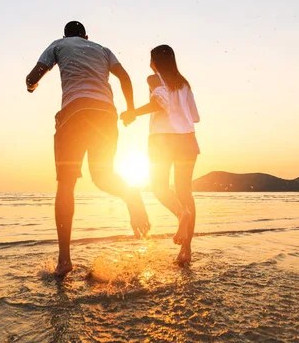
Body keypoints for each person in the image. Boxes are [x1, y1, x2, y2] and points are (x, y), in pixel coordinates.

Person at [25, 21, 150, 276]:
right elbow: (124, 76)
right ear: (86, 36)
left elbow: (33, 76)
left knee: (66, 184)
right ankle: (131, 195)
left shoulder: (58, 45)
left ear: (65, 35)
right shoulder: (103, 49)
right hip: (105, 114)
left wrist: (31, 86)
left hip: (74, 114)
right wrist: (129, 108)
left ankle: (64, 261)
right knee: (103, 177)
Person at [121, 45, 200, 265]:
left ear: (154, 61)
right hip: (188, 139)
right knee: (185, 192)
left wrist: (132, 113)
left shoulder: (154, 78)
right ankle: (186, 251)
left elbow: (160, 102)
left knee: (159, 187)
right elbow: (193, 116)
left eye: (150, 59)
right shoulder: (184, 84)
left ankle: (180, 214)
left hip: (162, 139)